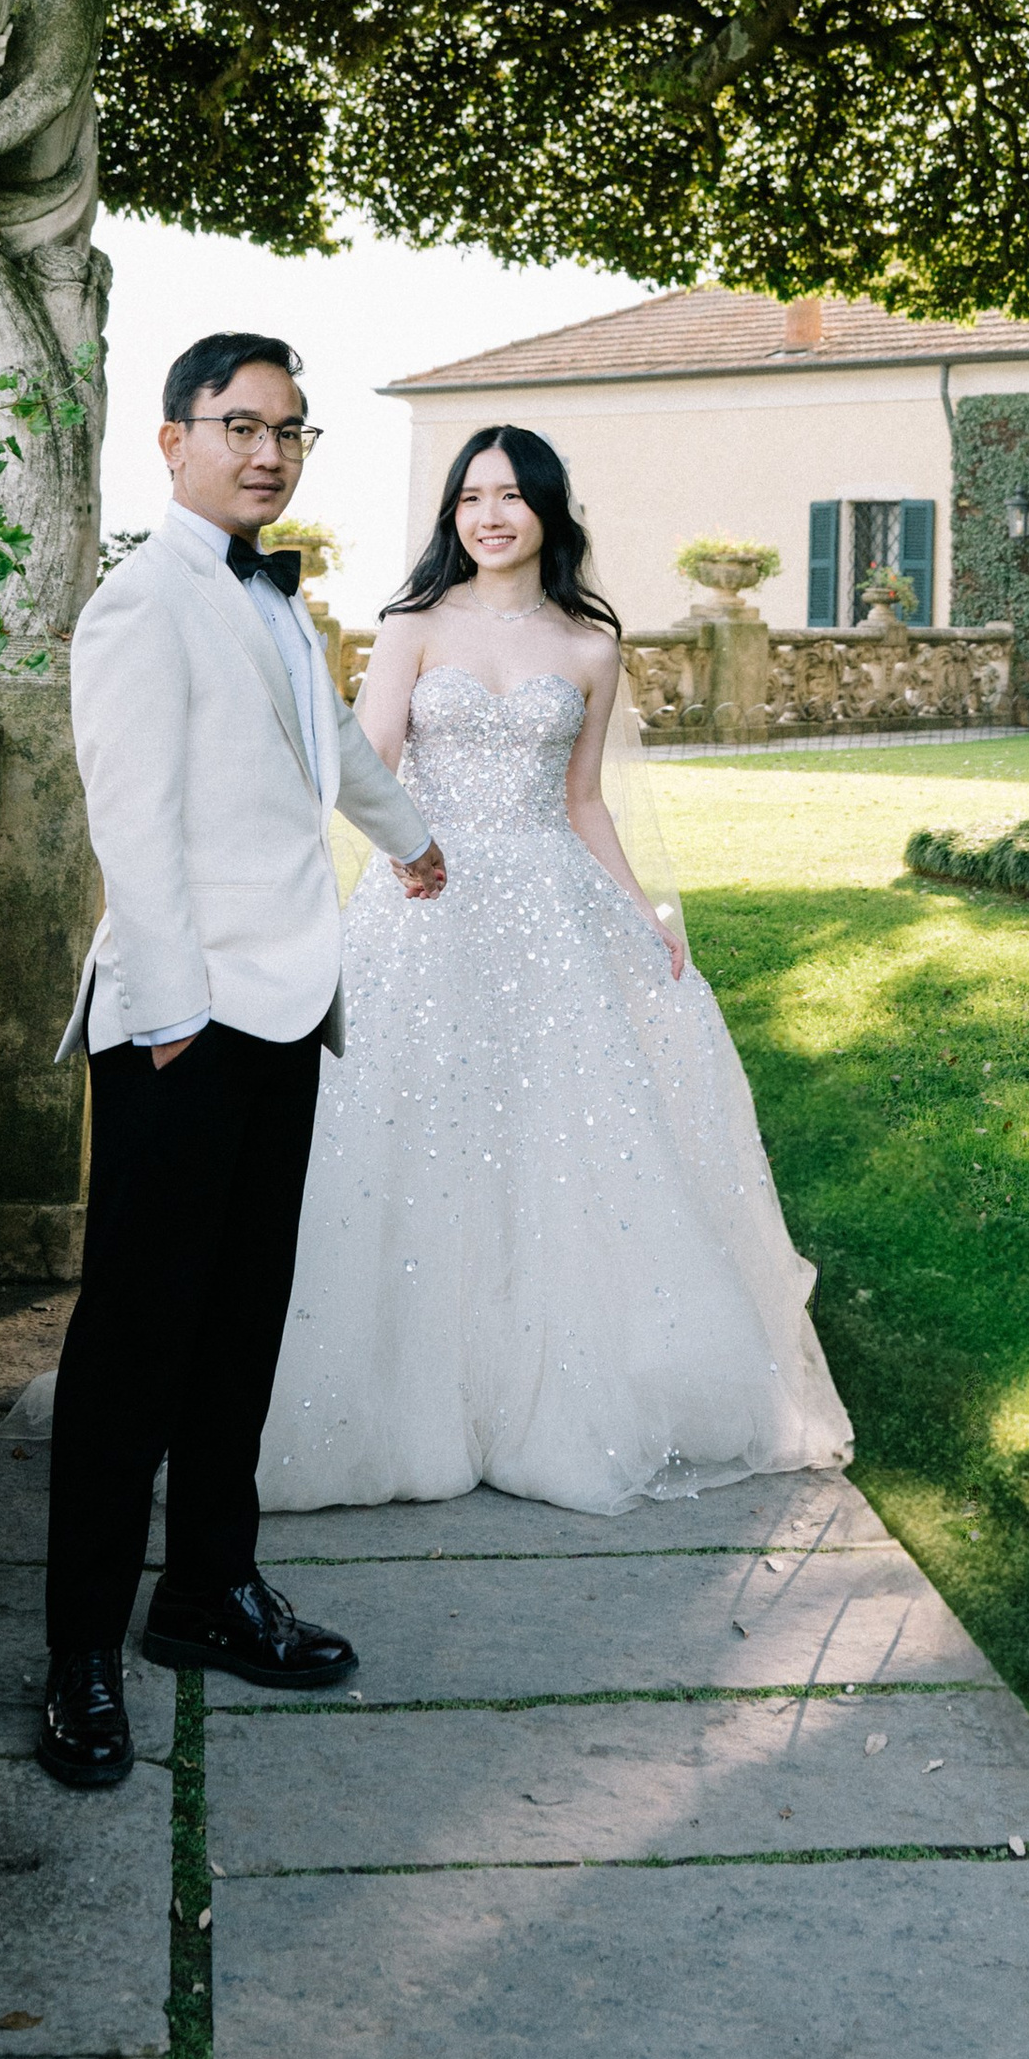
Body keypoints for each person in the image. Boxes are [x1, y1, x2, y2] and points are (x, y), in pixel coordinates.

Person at [257, 422, 852, 1518]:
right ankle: (413, 1392)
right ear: (451, 515)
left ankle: (558, 1392)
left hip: (553, 913)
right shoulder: (410, 627)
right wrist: (387, 866)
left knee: (560, 1148)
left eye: (511, 495)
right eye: (470, 496)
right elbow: (369, 765)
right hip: (425, 904)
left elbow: (584, 799)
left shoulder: (588, 644)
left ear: (546, 512)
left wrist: (644, 909)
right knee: (412, 1135)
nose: (489, 514)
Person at [34, 330, 449, 1790]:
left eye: (290, 429)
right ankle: (80, 1650)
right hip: (181, 1027)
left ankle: (207, 1595)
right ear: (174, 440)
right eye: (241, 425)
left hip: (289, 1013)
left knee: (239, 1329)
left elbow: (327, 739)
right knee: (130, 1351)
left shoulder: (277, 597)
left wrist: (411, 840)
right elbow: (129, 825)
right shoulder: (141, 605)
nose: (268, 450)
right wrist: (166, 1016)